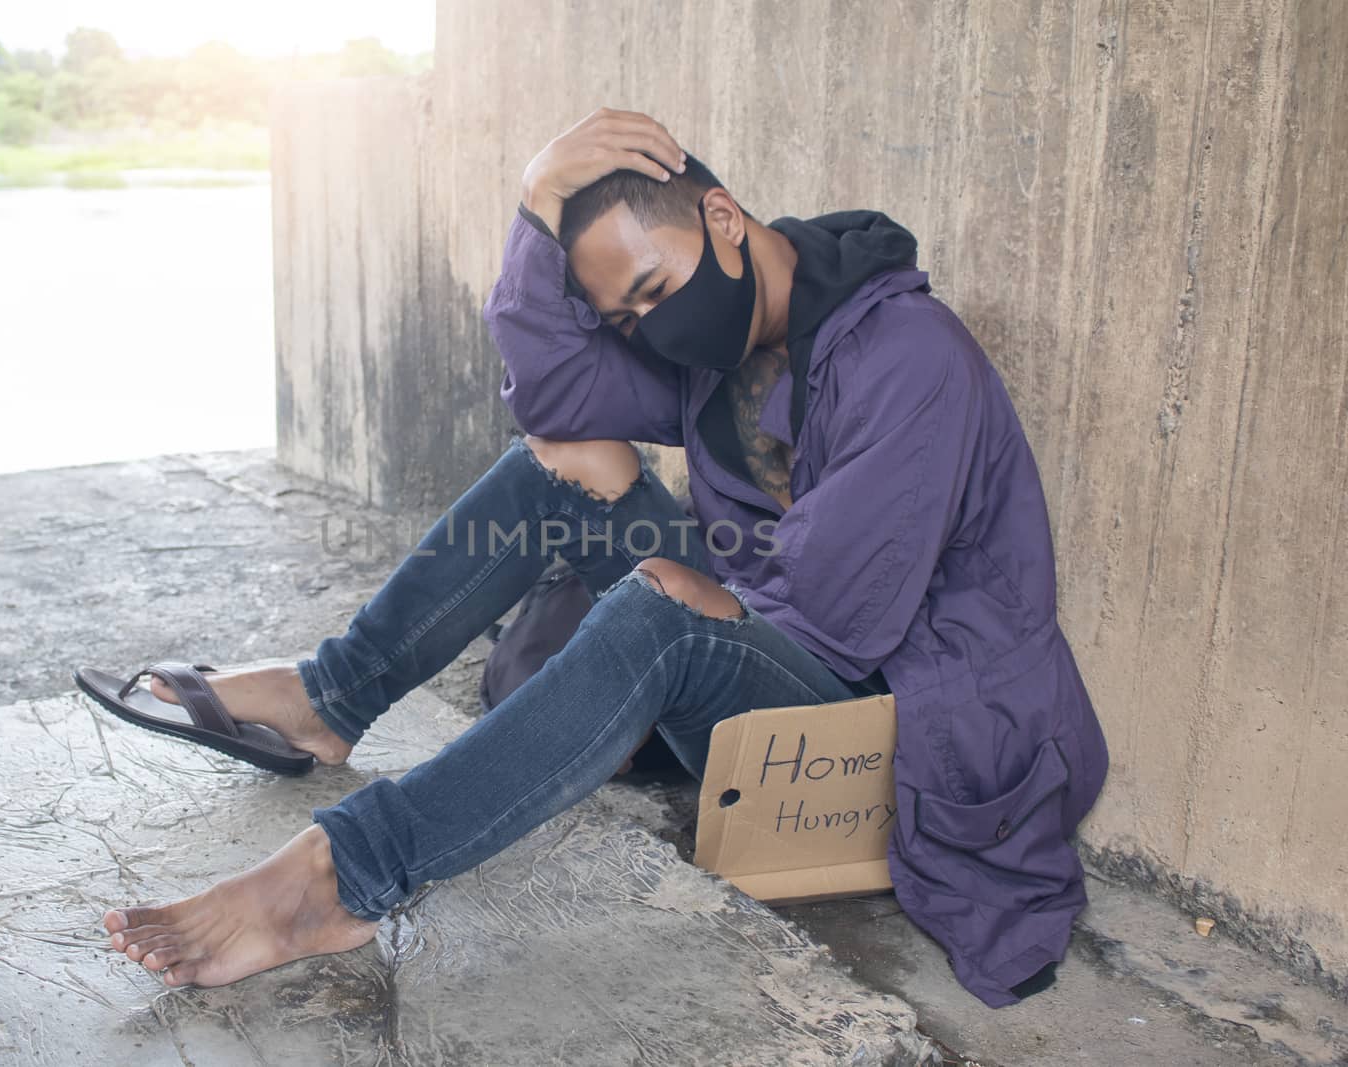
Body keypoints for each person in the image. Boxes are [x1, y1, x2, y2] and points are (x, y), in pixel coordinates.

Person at [95, 107, 1108, 1009]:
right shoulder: (721, 358)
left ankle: (337, 878)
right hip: (776, 630)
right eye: (629, 318)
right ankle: (331, 693)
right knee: (563, 463)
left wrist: (671, 597)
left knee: (655, 605)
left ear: (721, 218)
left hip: (890, 696)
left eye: (655, 290)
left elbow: (842, 612)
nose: (652, 328)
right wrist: (535, 209)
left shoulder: (908, 353)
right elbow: (556, 400)